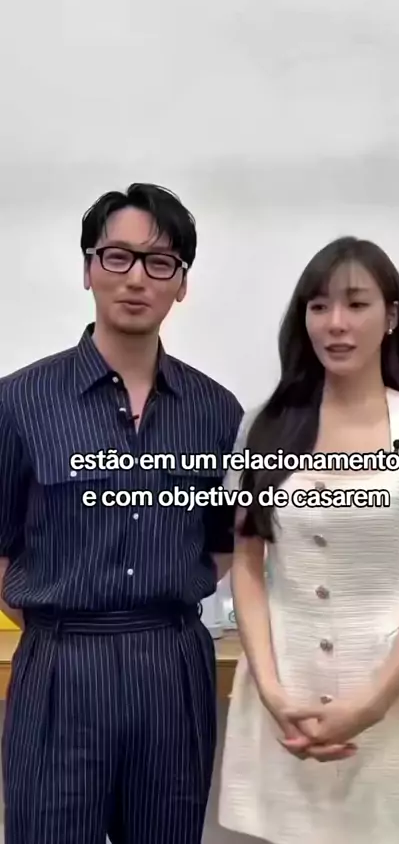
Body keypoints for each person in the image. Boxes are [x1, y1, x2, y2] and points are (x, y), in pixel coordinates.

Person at [0, 182, 243, 844]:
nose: (136, 278)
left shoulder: (215, 412)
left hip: (172, 664)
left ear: (181, 284)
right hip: (60, 664)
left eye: (159, 262)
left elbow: (223, 543)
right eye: (117, 256)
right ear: (88, 269)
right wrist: (64, 622)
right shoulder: (20, 402)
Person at [218, 235, 399, 844]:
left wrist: (371, 703)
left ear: (391, 318)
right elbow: (248, 567)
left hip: (395, 692)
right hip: (286, 691)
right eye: (319, 306)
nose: (336, 323)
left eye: (357, 304)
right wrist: (272, 689)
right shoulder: (266, 425)